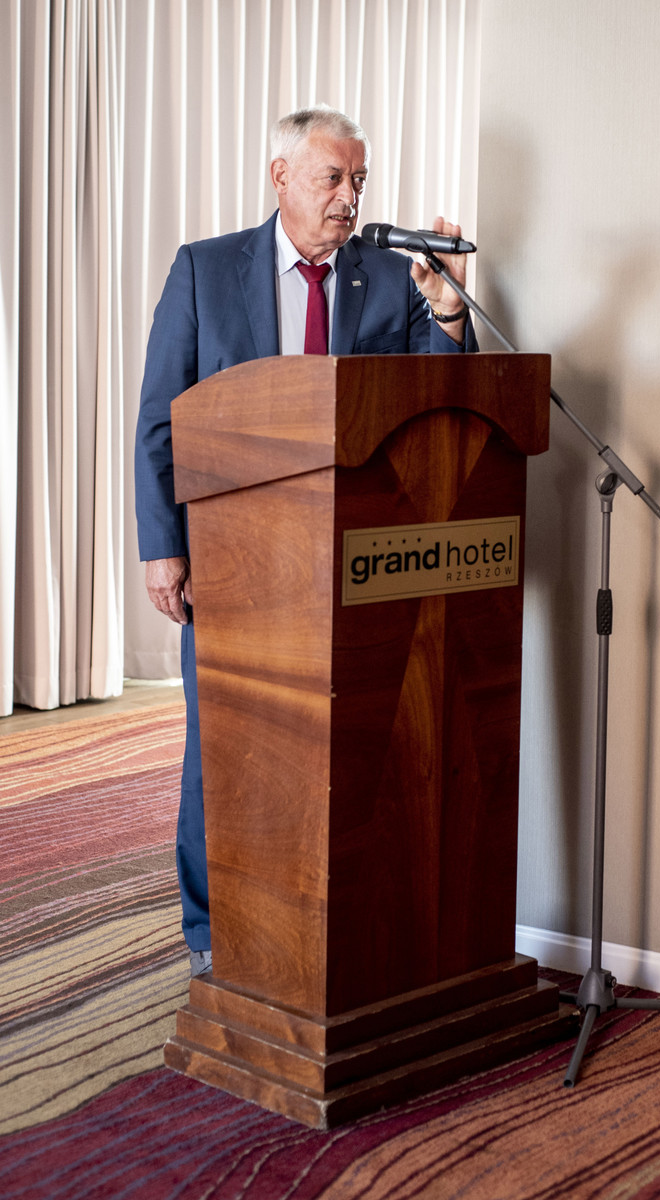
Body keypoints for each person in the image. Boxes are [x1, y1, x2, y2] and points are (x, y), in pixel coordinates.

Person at [134, 105, 477, 977]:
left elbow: (437, 408)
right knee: (224, 743)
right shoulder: (207, 269)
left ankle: (324, 914)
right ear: (280, 176)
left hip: (350, 558)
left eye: (358, 179)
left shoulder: (392, 277)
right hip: (234, 553)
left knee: (338, 744)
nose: (349, 197)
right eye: (333, 178)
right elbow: (160, 422)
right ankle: (211, 932)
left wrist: (445, 312)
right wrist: (162, 547)